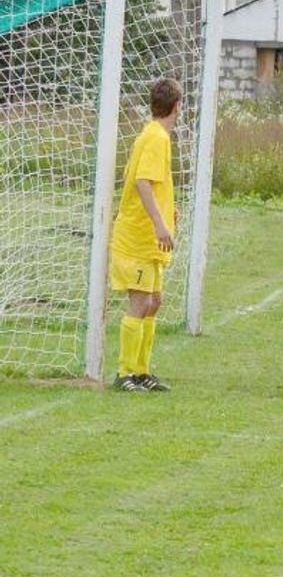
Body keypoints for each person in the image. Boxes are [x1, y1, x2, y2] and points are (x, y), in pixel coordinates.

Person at [109, 78, 182, 393]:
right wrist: (159, 223)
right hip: (138, 236)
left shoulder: (153, 135)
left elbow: (151, 185)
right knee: (141, 302)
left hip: (148, 237)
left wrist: (168, 212)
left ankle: (142, 371)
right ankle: (124, 373)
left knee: (154, 301)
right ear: (177, 106)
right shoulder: (156, 138)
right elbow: (142, 182)